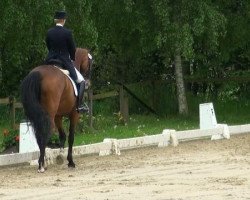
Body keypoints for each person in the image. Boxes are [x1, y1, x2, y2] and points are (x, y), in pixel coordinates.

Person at [45, 11, 88, 113]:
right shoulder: (67, 33)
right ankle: (79, 106)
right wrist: (72, 57)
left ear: (55, 20)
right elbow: (72, 49)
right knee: (81, 81)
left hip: (50, 60)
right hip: (64, 61)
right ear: (63, 20)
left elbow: (48, 46)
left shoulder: (49, 32)